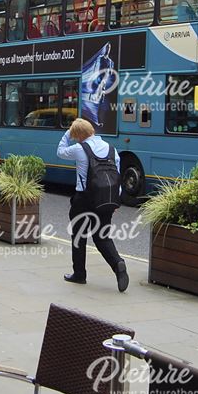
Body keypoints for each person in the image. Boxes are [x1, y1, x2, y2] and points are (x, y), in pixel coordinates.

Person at [56, 118, 128, 292]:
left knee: (79, 236)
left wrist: (68, 132)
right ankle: (118, 263)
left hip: (84, 198)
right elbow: (116, 176)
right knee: (102, 236)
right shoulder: (112, 149)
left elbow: (60, 151)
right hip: (106, 198)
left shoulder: (79, 148)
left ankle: (79, 274)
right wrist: (116, 200)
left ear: (78, 135)